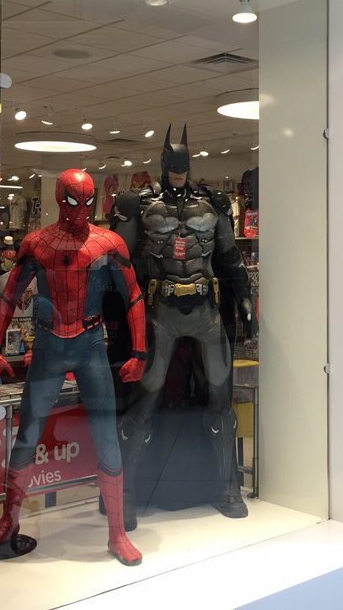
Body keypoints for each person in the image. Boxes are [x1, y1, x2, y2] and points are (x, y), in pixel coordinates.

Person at [0, 169, 146, 566]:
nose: (81, 210)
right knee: (27, 435)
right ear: (60, 199)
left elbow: (133, 294)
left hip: (90, 346)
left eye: (88, 202)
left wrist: (140, 352)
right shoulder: (37, 243)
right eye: (74, 201)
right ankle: (9, 520)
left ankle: (116, 533)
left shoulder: (107, 242)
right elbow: (9, 295)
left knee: (106, 436)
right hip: (49, 346)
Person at [112, 125, 257, 530]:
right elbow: (118, 262)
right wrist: (119, 317)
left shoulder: (212, 203)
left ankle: (227, 488)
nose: (178, 170)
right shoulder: (138, 204)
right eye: (172, 164)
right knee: (143, 403)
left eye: (183, 164)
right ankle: (125, 495)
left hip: (206, 309)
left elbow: (229, 256)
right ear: (163, 162)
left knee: (220, 400)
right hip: (160, 310)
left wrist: (244, 299)